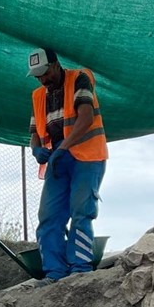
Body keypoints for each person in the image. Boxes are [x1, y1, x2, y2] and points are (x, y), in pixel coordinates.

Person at [26, 47, 109, 285]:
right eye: (37, 76)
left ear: (55, 64)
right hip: (58, 158)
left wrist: (63, 148)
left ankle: (80, 268)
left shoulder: (79, 79)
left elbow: (86, 117)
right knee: (49, 215)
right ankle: (54, 272)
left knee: (81, 210)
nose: (42, 79)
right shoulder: (38, 96)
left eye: (45, 73)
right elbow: (34, 133)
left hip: (87, 154)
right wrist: (35, 150)